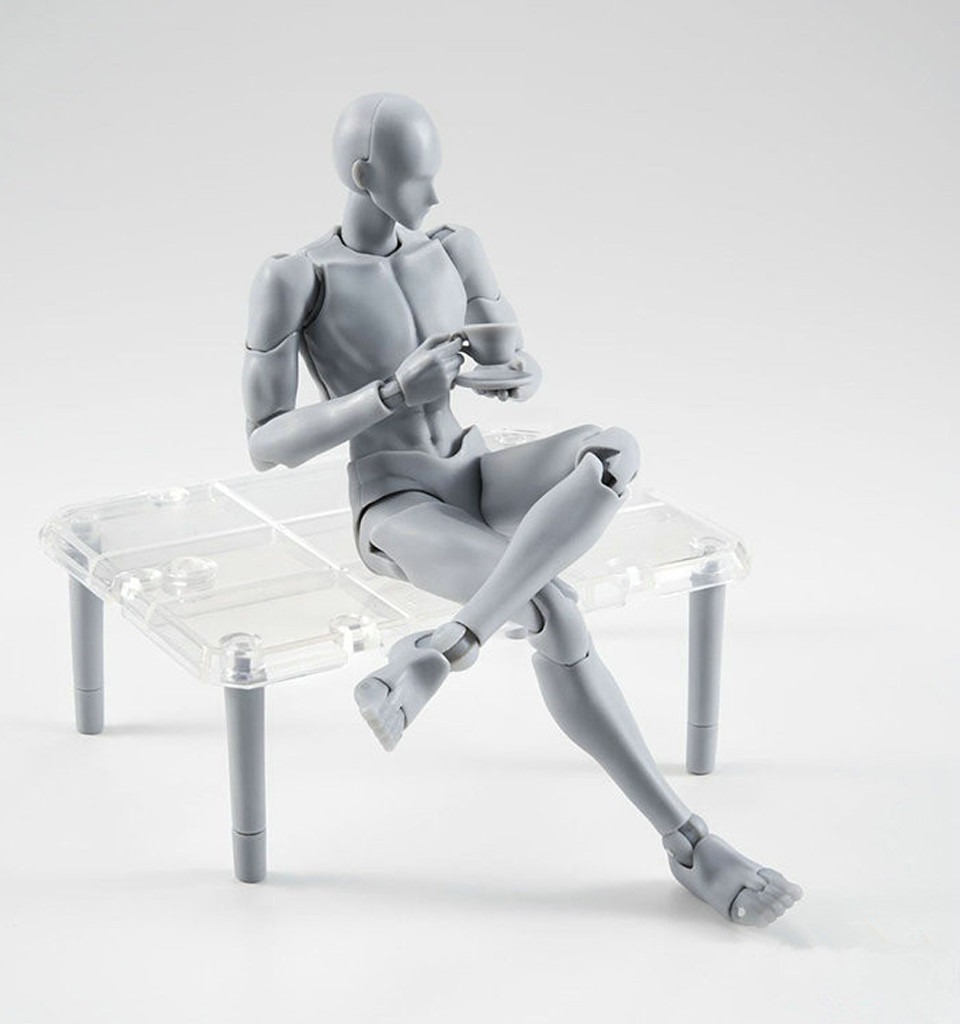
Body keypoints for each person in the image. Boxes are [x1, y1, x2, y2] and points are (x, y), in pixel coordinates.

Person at [241, 93, 801, 926]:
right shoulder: (298, 277)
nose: (433, 195)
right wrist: (390, 393)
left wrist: (515, 374)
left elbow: (510, 355)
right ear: (363, 175)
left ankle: (446, 647)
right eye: (415, 179)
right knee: (553, 611)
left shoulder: (453, 247)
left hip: (476, 468)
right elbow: (265, 443)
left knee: (612, 451)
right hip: (395, 499)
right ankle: (689, 843)